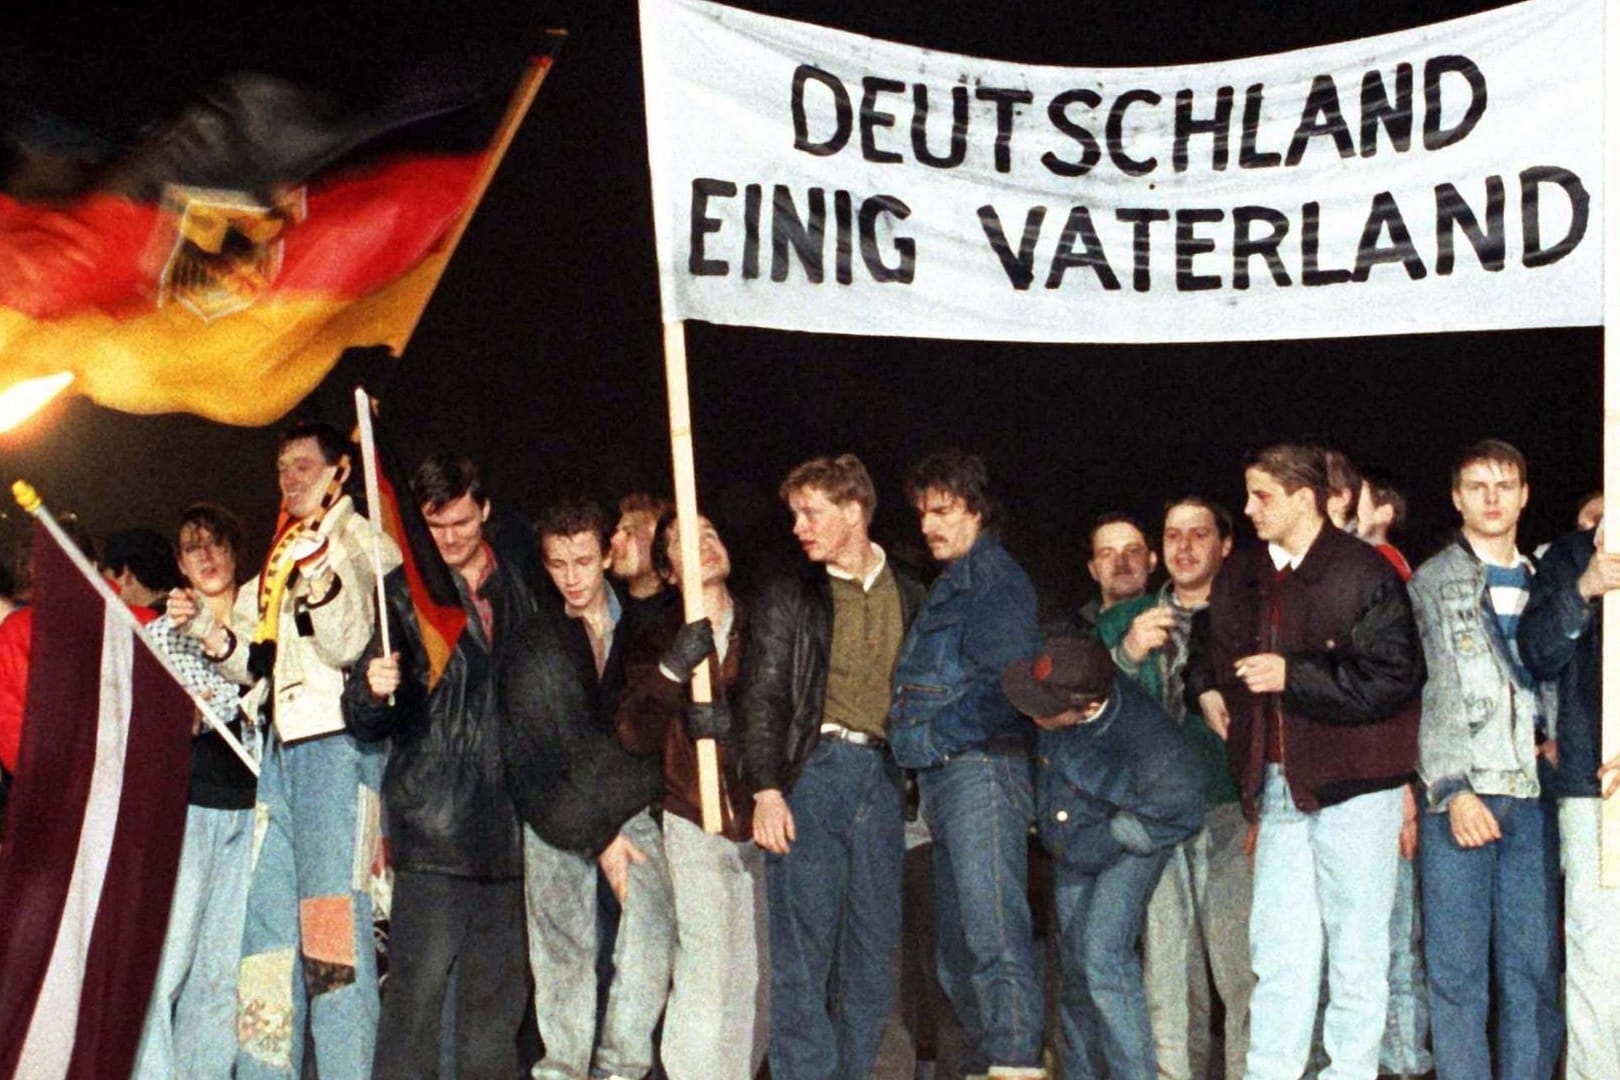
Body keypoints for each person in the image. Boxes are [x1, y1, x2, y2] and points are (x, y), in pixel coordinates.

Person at [1187, 443, 1424, 1080]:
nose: (1248, 508)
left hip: (1358, 790)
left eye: (1261, 495)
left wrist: (1295, 676)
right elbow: (1208, 646)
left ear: (1303, 498)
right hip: (1278, 788)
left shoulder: (1365, 571)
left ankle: (1351, 1072)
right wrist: (1203, 686)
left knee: (1356, 955)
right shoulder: (1241, 574)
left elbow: (1397, 677)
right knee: (1279, 955)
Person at [181, 420, 400, 1080]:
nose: (291, 478)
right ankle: (263, 1073)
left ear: (340, 472)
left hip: (337, 755)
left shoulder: (363, 543)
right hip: (277, 759)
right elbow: (253, 664)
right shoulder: (278, 558)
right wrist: (208, 636)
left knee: (332, 936)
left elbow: (345, 641)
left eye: (305, 465)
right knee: (268, 938)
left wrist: (324, 576)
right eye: (283, 468)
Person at [344, 454, 538, 1079]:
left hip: (512, 836)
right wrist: (370, 689)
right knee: (413, 1016)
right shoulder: (405, 595)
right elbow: (367, 719)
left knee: (495, 1018)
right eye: (435, 526)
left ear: (483, 511)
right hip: (433, 832)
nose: (450, 538)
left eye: (460, 521)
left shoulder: (525, 588)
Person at [738, 454, 924, 1080]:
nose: (799, 527)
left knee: (873, 958)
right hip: (813, 776)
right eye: (794, 514)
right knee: (802, 958)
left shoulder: (913, 588)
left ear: (853, 511)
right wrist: (766, 788)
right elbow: (762, 695)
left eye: (811, 512)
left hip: (882, 779)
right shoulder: (791, 591)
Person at [888, 449, 1044, 1080]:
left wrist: (927, 740)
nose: (929, 524)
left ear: (977, 510)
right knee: (957, 949)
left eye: (944, 509)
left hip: (980, 772)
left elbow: (1007, 686)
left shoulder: (996, 582)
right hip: (948, 778)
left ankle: (1014, 1060)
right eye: (924, 511)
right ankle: (986, 1063)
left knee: (994, 936)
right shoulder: (951, 584)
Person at [1407, 438, 1561, 1078]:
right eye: (1478, 486)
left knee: (1531, 972)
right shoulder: (1431, 582)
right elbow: (1426, 688)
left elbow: (1562, 676)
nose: (1492, 499)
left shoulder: (1549, 578)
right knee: (1457, 974)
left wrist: (1560, 739)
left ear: (1525, 495)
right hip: (1463, 800)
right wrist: (1452, 787)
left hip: (1535, 797)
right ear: (1456, 497)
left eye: (1505, 485)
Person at [503, 497, 668, 1080]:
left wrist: (615, 822)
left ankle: (621, 1068)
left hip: (623, 804)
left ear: (606, 554)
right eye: (557, 564)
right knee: (563, 955)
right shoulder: (534, 640)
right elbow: (538, 753)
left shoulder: (644, 628)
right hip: (553, 807)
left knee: (654, 928)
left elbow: (645, 732)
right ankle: (563, 1071)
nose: (571, 578)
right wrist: (597, 837)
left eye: (581, 561)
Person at [1004, 636, 1204, 1080]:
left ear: (1087, 706)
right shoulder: (1068, 685)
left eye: (1043, 707)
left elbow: (1185, 808)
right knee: (1074, 965)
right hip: (1073, 841)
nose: (1032, 713)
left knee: (1103, 957)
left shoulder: (1147, 736)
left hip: (1128, 840)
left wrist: (1118, 834)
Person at [617, 510, 767, 1080]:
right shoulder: (655, 635)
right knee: (705, 965)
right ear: (668, 570)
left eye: (711, 532)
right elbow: (634, 733)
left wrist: (739, 727)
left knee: (754, 974)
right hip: (693, 815)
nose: (704, 544)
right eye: (684, 541)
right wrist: (674, 670)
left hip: (760, 818)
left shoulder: (763, 625)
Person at [1112, 496, 1251, 1080]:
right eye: (1173, 534)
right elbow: (1086, 718)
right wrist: (1126, 656)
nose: (1185, 547)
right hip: (1157, 818)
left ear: (1225, 545)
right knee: (1168, 973)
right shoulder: (1126, 619)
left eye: (1200, 534)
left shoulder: (1252, 615)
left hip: (1233, 809)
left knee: (1242, 968)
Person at [133, 504, 259, 1080]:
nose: (206, 556)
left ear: (235, 552)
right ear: (181, 565)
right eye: (192, 548)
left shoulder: (264, 621)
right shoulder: (162, 632)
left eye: (216, 544)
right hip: (187, 812)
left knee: (220, 972)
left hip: (251, 812)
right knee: (168, 961)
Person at [1520, 513, 1620, 1079]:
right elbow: (1537, 653)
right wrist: (1584, 590)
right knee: (1598, 960)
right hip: (1593, 785)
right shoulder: (1571, 554)